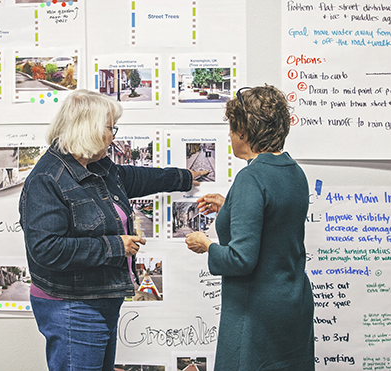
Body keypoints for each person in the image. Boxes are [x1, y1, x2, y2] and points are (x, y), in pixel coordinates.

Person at [19, 89, 206, 371]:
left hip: (98, 298)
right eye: (110, 128)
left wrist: (184, 177)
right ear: (90, 129)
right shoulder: (47, 179)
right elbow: (47, 249)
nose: (114, 135)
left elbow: (136, 177)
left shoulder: (96, 167)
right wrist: (115, 246)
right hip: (72, 307)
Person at [185, 85, 315, 370]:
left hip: (256, 315)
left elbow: (240, 259)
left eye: (232, 128)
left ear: (244, 130)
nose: (230, 135)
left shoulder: (251, 178)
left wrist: (205, 244)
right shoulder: (294, 172)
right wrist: (229, 204)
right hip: (293, 304)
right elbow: (274, 220)